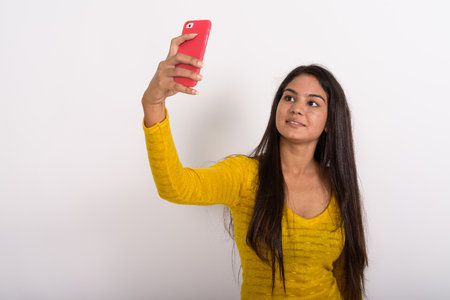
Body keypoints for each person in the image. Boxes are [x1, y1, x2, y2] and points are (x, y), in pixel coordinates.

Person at [142, 34, 368, 300]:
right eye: (289, 98)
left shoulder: (338, 184)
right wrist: (153, 104)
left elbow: (346, 278)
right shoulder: (245, 175)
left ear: (330, 122)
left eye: (313, 103)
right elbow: (175, 187)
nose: (297, 108)